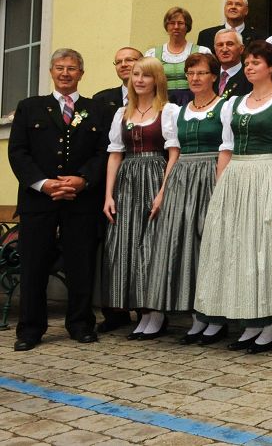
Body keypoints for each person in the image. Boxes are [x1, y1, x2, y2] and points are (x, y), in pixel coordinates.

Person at [193, 41, 272, 352]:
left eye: (256, 62)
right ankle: (249, 320)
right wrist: (220, 187)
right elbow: (226, 148)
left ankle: (271, 324)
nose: (250, 67)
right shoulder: (234, 103)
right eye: (248, 63)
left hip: (265, 172)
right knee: (237, 248)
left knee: (261, 249)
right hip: (236, 177)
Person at [8, 49, 109, 350]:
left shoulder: (97, 109)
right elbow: (18, 152)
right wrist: (44, 184)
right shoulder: (29, 107)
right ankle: (30, 329)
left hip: (81, 200)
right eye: (60, 68)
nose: (66, 73)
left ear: (81, 73)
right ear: (51, 71)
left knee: (81, 264)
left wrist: (83, 180)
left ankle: (80, 324)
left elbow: (103, 152)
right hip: (38, 200)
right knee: (34, 265)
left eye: (72, 68)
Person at [140, 52, 226, 344]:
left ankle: (215, 317)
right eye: (191, 73)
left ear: (213, 76)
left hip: (211, 175)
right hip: (182, 178)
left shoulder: (225, 107)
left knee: (209, 245)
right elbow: (173, 155)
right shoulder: (178, 111)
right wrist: (164, 190)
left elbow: (228, 149)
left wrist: (220, 185)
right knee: (187, 246)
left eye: (201, 73)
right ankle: (197, 316)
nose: (195, 78)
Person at [102, 57, 180, 341]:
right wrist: (108, 195)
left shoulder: (168, 110)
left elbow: (174, 153)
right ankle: (141, 311)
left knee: (152, 245)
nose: (139, 80)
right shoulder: (122, 113)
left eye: (146, 75)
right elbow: (115, 155)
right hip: (127, 180)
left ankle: (155, 312)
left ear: (157, 79)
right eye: (135, 74)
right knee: (127, 244)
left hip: (155, 174)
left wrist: (163, 191)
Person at [92, 46, 144, 333]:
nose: (125, 65)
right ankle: (114, 310)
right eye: (119, 62)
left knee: (143, 242)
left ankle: (146, 308)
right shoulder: (102, 100)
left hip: (146, 177)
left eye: (131, 60)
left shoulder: (162, 100)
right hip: (110, 179)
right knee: (114, 244)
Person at [145, 7, 212, 106]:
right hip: (162, 101)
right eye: (172, 23)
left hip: (194, 100)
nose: (176, 27)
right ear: (167, 26)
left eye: (180, 23)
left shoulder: (202, 52)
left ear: (187, 26)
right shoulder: (153, 54)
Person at [197, 0, 263, 51]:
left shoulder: (259, 37)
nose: (233, 7)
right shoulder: (206, 36)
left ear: (246, 10)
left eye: (238, 4)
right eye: (229, 4)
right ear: (224, 8)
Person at [212, 29, 252, 98]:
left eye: (230, 44)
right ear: (215, 50)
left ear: (241, 49)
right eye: (220, 45)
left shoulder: (250, 77)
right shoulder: (210, 76)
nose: (224, 49)